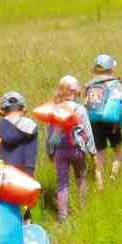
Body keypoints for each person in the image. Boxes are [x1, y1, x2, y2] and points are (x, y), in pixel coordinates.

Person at [46, 75, 96, 221]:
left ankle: (62, 216)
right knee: (81, 179)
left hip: (59, 151)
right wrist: (92, 152)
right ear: (77, 91)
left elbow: (49, 133)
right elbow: (87, 131)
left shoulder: (54, 109)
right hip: (77, 149)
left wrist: (50, 151)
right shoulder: (80, 109)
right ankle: (83, 210)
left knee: (62, 182)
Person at [84, 54, 122, 190]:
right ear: (111, 68)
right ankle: (113, 176)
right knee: (118, 150)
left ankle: (100, 187)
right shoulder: (115, 83)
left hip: (94, 123)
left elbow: (86, 104)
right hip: (112, 122)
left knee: (99, 156)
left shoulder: (90, 85)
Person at [0, 91, 39, 221]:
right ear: (24, 109)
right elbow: (32, 152)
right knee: (24, 205)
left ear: (2, 111)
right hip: (26, 170)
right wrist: (30, 171)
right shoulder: (32, 126)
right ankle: (26, 229)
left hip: (4, 172)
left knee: (6, 206)